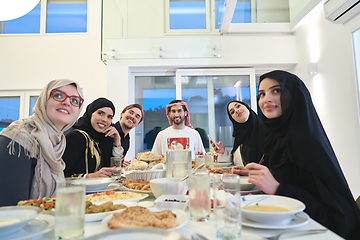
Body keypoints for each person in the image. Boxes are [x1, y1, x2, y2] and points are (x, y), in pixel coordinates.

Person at [245, 70, 360, 239]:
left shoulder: (303, 141)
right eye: (261, 94)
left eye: (276, 90)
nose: (266, 99)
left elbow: (338, 217)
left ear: (294, 96)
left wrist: (278, 188)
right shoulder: (277, 137)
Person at [0, 79, 84, 206]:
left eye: (75, 100)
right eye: (58, 95)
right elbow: (9, 208)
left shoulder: (58, 142)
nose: (67, 102)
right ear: (44, 100)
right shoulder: (18, 138)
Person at [63, 98, 123, 178]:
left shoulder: (103, 139)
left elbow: (115, 172)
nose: (104, 119)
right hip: (80, 190)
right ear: (91, 113)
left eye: (109, 117)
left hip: (101, 190)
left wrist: (117, 141)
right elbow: (63, 175)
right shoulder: (76, 137)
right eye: (101, 113)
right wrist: (90, 176)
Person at [210, 100, 265, 176]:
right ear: (233, 119)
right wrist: (223, 152)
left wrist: (251, 172)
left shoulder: (268, 133)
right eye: (232, 112)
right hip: (240, 185)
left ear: (247, 107)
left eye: (238, 106)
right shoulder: (239, 138)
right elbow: (236, 163)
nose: (236, 110)